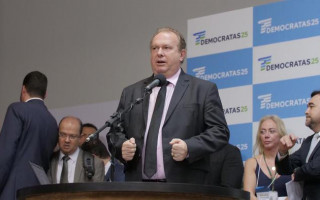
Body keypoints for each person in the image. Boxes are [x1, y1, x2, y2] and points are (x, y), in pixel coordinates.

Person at [114, 27, 229, 183]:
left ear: (182, 55)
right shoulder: (132, 92)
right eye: (155, 48)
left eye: (166, 48)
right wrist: (121, 147)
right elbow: (115, 132)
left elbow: (219, 131)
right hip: (138, 187)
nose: (159, 53)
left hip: (183, 185)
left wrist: (190, 147)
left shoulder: (203, 89)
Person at [0, 71, 58, 200]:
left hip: (14, 190)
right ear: (45, 94)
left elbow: (5, 155)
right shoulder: (52, 121)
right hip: (39, 192)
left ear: (23, 89)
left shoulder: (17, 109)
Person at [276, 90, 320, 200]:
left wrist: (297, 172)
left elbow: (316, 169)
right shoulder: (308, 141)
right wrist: (283, 152)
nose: (306, 111)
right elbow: (285, 169)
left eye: (311, 106)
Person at [243, 115, 291, 200]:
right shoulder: (251, 163)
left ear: (281, 134)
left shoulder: (292, 162)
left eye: (272, 131)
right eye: (262, 132)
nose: (266, 135)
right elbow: (249, 195)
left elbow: (296, 194)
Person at [47, 116, 105, 183]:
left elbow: (96, 193)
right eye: (63, 135)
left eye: (72, 136)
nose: (67, 140)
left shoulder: (95, 164)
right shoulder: (49, 160)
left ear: (80, 138)